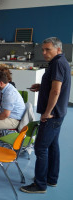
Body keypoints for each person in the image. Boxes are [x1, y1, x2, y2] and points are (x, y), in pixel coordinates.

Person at [21, 37, 71, 193]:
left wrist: (47, 113)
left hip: (52, 115)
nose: (44, 52)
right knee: (53, 146)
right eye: (43, 49)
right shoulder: (61, 62)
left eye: (47, 49)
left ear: (58, 49)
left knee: (41, 148)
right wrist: (42, 87)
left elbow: (56, 91)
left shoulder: (57, 64)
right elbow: (55, 86)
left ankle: (40, 184)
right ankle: (51, 179)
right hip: (59, 114)